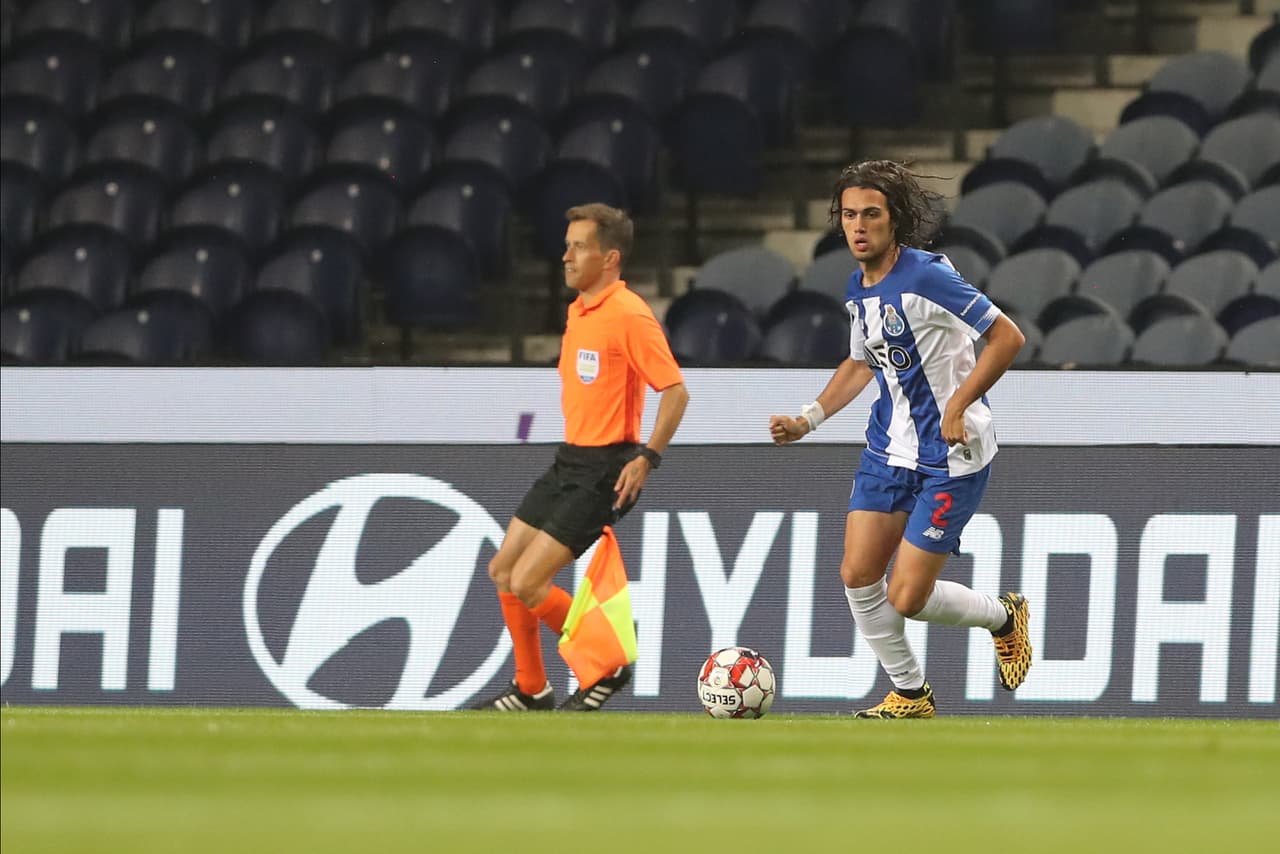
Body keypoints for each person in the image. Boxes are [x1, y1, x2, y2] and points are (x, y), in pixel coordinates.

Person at [769, 160, 1032, 718]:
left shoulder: (927, 276)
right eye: (848, 215)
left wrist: (959, 404)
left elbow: (1007, 337)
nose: (858, 226)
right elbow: (862, 362)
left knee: (906, 598)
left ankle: (1004, 616)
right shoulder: (857, 286)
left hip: (952, 457)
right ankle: (911, 694)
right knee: (857, 574)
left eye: (871, 214)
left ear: (895, 220)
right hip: (888, 450)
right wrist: (808, 419)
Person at [473, 203, 689, 712]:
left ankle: (608, 661)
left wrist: (646, 458)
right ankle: (532, 688)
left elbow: (676, 392)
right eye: (567, 245)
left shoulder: (629, 314)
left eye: (578, 247)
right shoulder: (579, 309)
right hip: (569, 459)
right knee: (504, 570)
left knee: (529, 581)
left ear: (609, 257)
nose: (565, 256)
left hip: (605, 467)